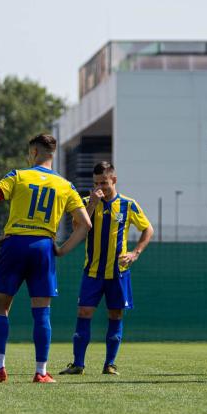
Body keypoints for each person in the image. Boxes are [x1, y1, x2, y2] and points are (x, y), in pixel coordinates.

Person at [0, 134, 92, 383]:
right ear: (52, 155)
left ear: (33, 153)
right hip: (44, 247)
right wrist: (61, 249)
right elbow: (85, 223)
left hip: (14, 244)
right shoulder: (65, 185)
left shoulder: (17, 176)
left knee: (0, 308)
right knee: (42, 312)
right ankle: (41, 372)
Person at [58, 161, 154, 376]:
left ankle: (110, 364)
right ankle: (78, 364)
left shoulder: (128, 205)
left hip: (118, 273)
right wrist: (91, 204)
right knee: (84, 312)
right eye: (95, 183)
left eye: (104, 182)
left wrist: (135, 253)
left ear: (114, 180)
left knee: (116, 314)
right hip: (92, 272)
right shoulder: (86, 203)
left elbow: (148, 229)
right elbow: (77, 228)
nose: (99, 187)